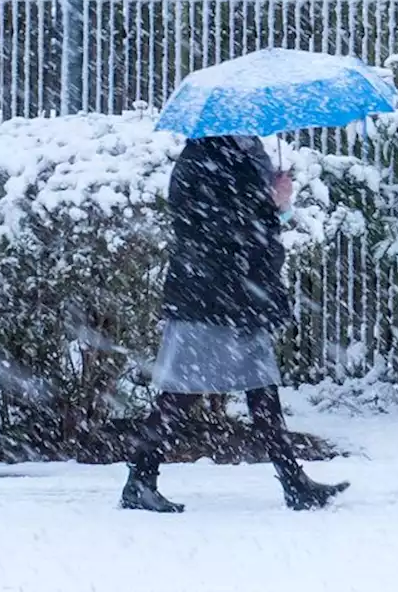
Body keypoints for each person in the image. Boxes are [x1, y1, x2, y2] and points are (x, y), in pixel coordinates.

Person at [120, 135, 349, 513]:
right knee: (180, 394)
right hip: (208, 298)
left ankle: (294, 482)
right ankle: (140, 481)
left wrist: (282, 205)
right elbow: (205, 226)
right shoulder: (200, 157)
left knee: (262, 393)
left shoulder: (253, 152)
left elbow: (262, 227)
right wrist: (267, 203)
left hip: (245, 298)